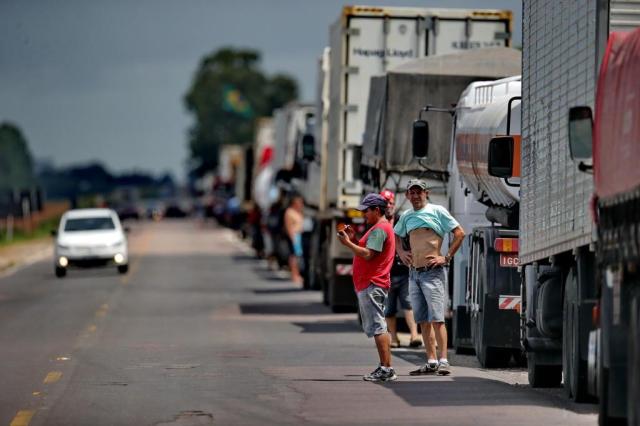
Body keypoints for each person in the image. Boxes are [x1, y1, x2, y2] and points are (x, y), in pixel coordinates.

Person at [394, 179, 465, 376]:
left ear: (426, 193)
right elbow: (396, 235)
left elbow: (460, 233)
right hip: (414, 273)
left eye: (419, 192)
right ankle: (431, 360)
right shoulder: (407, 216)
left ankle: (443, 360)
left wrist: (446, 257)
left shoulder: (437, 211)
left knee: (437, 319)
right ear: (407, 195)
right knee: (423, 319)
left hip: (432, 273)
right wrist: (400, 252)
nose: (416, 196)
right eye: (412, 192)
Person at [337, 193, 397, 382]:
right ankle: (386, 367)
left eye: (367, 211)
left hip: (373, 283)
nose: (364, 215)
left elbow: (369, 255)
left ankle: (385, 368)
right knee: (380, 326)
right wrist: (354, 240)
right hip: (374, 282)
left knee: (378, 326)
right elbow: (369, 251)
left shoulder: (379, 229)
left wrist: (348, 244)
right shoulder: (380, 228)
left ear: (377, 210)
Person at [379, 189, 422, 348]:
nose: (388, 206)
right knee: (389, 308)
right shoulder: (377, 224)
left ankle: (414, 336)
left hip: (403, 270)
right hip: (386, 274)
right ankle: (394, 338)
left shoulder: (401, 220)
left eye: (391, 203)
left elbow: (412, 238)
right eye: (385, 203)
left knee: (408, 304)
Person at [284, 194, 305, 285]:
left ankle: (297, 274)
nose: (300, 204)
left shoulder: (298, 212)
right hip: (294, 236)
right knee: (294, 256)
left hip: (299, 235)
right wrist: (292, 238)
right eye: (298, 203)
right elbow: (288, 226)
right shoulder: (289, 212)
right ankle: (294, 274)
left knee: (298, 256)